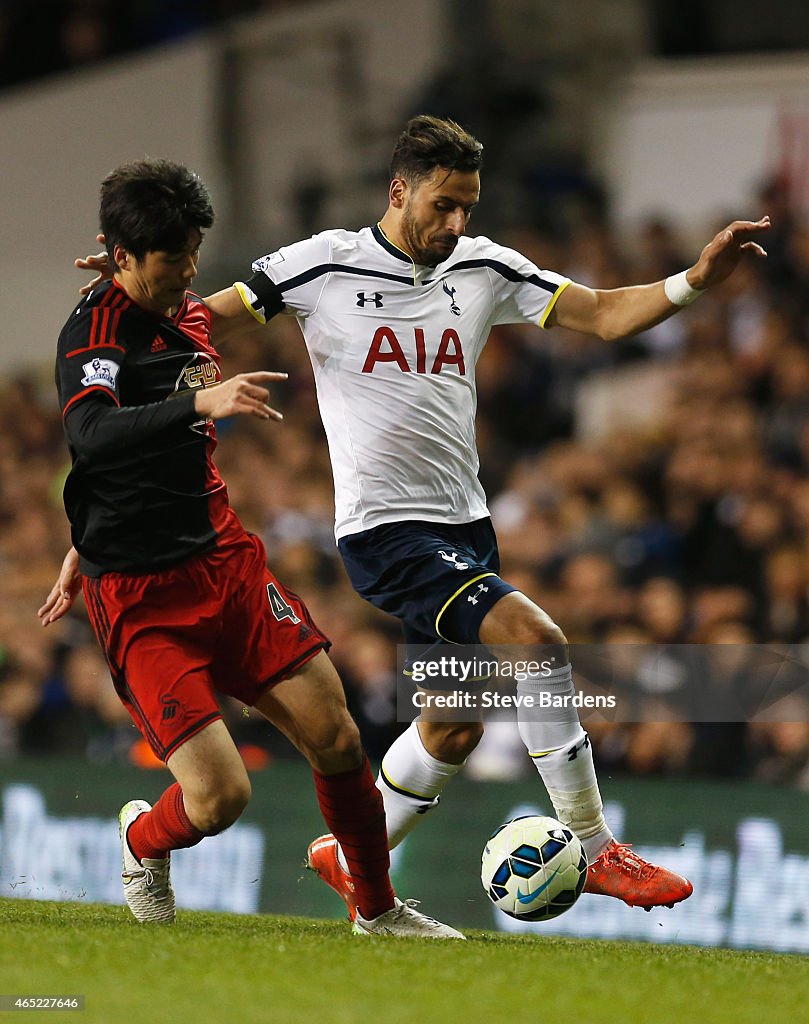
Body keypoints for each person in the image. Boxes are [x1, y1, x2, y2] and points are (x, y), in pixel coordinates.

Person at [72, 117, 769, 920]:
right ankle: (596, 844)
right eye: (442, 205)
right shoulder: (320, 263)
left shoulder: (482, 265)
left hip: (463, 526)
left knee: (452, 726)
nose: (455, 224)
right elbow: (198, 317)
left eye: (466, 207)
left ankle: (349, 855)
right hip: (385, 531)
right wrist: (119, 291)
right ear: (398, 191)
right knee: (536, 640)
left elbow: (605, 314)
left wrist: (693, 281)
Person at [39, 157, 463, 939]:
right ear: (125, 256)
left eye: (195, 250)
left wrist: (82, 528)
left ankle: (377, 910)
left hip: (223, 563)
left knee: (335, 735)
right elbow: (88, 433)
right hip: (139, 596)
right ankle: (141, 840)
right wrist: (199, 400)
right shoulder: (91, 329)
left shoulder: (191, 312)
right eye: (172, 258)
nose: (191, 270)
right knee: (219, 800)